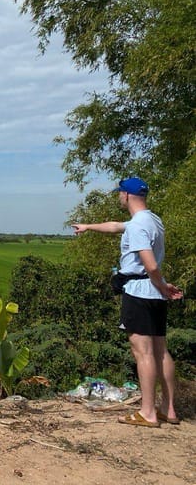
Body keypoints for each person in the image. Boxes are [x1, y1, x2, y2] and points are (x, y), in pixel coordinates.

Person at [73, 177, 183, 427]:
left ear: (126, 195)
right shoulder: (152, 220)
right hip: (155, 293)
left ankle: (147, 413)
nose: (117, 197)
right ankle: (168, 409)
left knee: (142, 353)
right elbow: (115, 226)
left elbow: (150, 264)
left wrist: (162, 285)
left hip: (141, 291)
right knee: (160, 351)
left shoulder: (137, 227)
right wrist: (88, 226)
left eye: (119, 193)